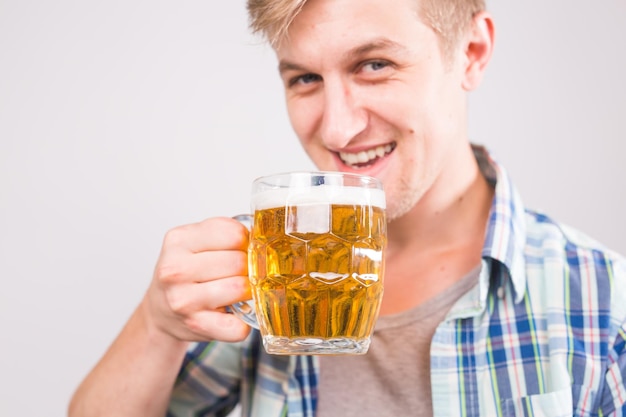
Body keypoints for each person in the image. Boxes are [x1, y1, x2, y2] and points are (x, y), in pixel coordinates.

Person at [68, 0, 626, 415]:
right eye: (305, 78)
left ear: (471, 53)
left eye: (374, 65)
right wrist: (157, 324)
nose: (337, 129)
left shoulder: (605, 303)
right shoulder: (272, 273)